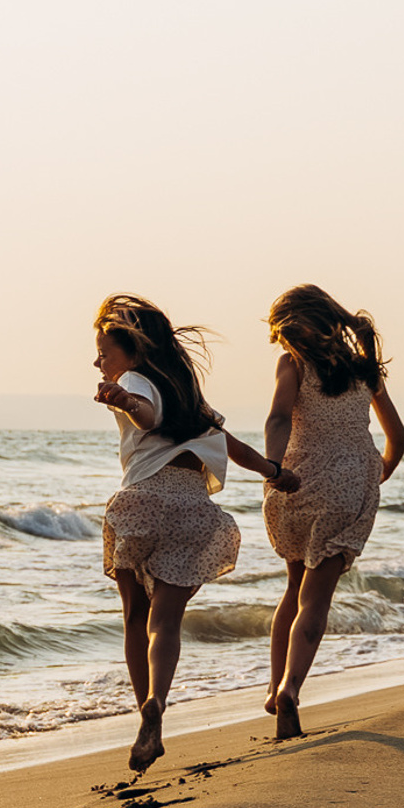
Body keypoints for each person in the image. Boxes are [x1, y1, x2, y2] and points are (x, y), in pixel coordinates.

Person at [92, 294, 292, 773]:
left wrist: (124, 399)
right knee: (165, 622)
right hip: (191, 509)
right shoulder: (191, 398)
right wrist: (276, 472)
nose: (98, 363)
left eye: (103, 353)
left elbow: (145, 413)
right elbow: (235, 447)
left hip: (141, 502)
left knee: (135, 618)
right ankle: (158, 700)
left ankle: (146, 712)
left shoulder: (133, 381)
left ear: (134, 352)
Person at [259, 284, 404, 740]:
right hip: (348, 489)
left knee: (293, 588)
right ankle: (290, 688)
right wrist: (376, 473)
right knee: (316, 599)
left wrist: (274, 467)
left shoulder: (292, 364)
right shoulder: (364, 368)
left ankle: (274, 686)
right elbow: (398, 436)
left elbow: (278, 417)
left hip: (296, 482)